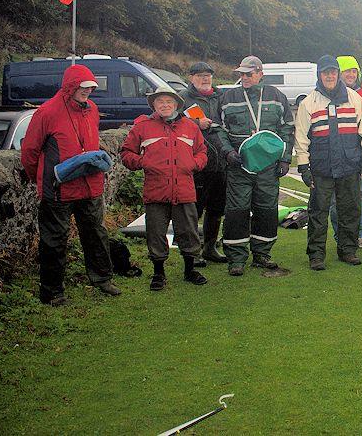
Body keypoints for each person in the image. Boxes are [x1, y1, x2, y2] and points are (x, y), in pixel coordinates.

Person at [21, 64, 120, 305]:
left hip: (90, 185)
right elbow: (30, 152)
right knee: (54, 240)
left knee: (96, 234)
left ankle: (102, 279)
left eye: (91, 88)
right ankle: (52, 292)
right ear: (70, 86)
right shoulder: (47, 112)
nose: (87, 92)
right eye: (83, 87)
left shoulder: (92, 109)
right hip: (59, 189)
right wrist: (43, 181)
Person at [214, 55, 295, 276]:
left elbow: (287, 128)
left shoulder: (276, 96)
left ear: (260, 74)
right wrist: (228, 152)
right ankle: (236, 258)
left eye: (249, 74)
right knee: (237, 211)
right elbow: (217, 129)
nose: (244, 77)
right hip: (239, 165)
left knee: (266, 210)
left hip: (268, 166)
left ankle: (262, 254)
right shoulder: (227, 97)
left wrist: (286, 158)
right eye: (241, 74)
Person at [121, 88, 208, 290]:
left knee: (188, 231)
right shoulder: (142, 127)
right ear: (154, 105)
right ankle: (158, 273)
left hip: (184, 190)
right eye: (160, 102)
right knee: (156, 232)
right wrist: (143, 161)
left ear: (177, 104)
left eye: (169, 101)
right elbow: (126, 153)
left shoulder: (190, 127)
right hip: (156, 191)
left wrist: (193, 164)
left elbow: (202, 152)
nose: (165, 105)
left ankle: (190, 270)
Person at [294, 55, 362, 271]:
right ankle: (316, 255)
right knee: (318, 212)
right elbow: (301, 138)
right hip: (321, 168)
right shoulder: (308, 103)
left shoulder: (354, 98)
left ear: (338, 74)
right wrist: (304, 167)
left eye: (333, 72)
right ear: (319, 75)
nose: (330, 76)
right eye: (325, 72)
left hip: (350, 165)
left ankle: (348, 250)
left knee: (350, 210)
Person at [179, 61, 226, 267]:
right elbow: (172, 121)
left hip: (221, 162)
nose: (205, 79)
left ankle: (210, 247)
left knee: (216, 208)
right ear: (191, 78)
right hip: (196, 163)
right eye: (200, 75)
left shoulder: (221, 96)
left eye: (208, 75)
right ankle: (193, 251)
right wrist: (196, 123)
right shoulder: (183, 98)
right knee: (194, 209)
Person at [329, 55, 362, 248]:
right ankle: (340, 234)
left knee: (359, 196)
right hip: (334, 156)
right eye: (347, 70)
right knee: (335, 200)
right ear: (339, 73)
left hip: (357, 156)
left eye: (354, 71)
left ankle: (359, 232)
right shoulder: (327, 95)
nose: (351, 74)